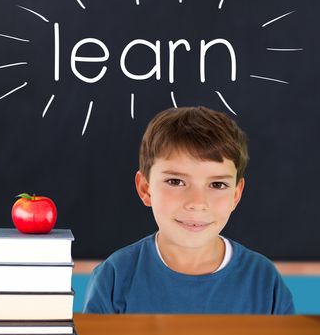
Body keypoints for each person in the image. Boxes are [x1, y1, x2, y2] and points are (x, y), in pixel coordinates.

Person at [83, 106, 295, 314]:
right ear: (145, 188)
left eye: (217, 185)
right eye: (175, 181)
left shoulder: (265, 282)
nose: (197, 202)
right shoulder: (114, 278)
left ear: (236, 195)